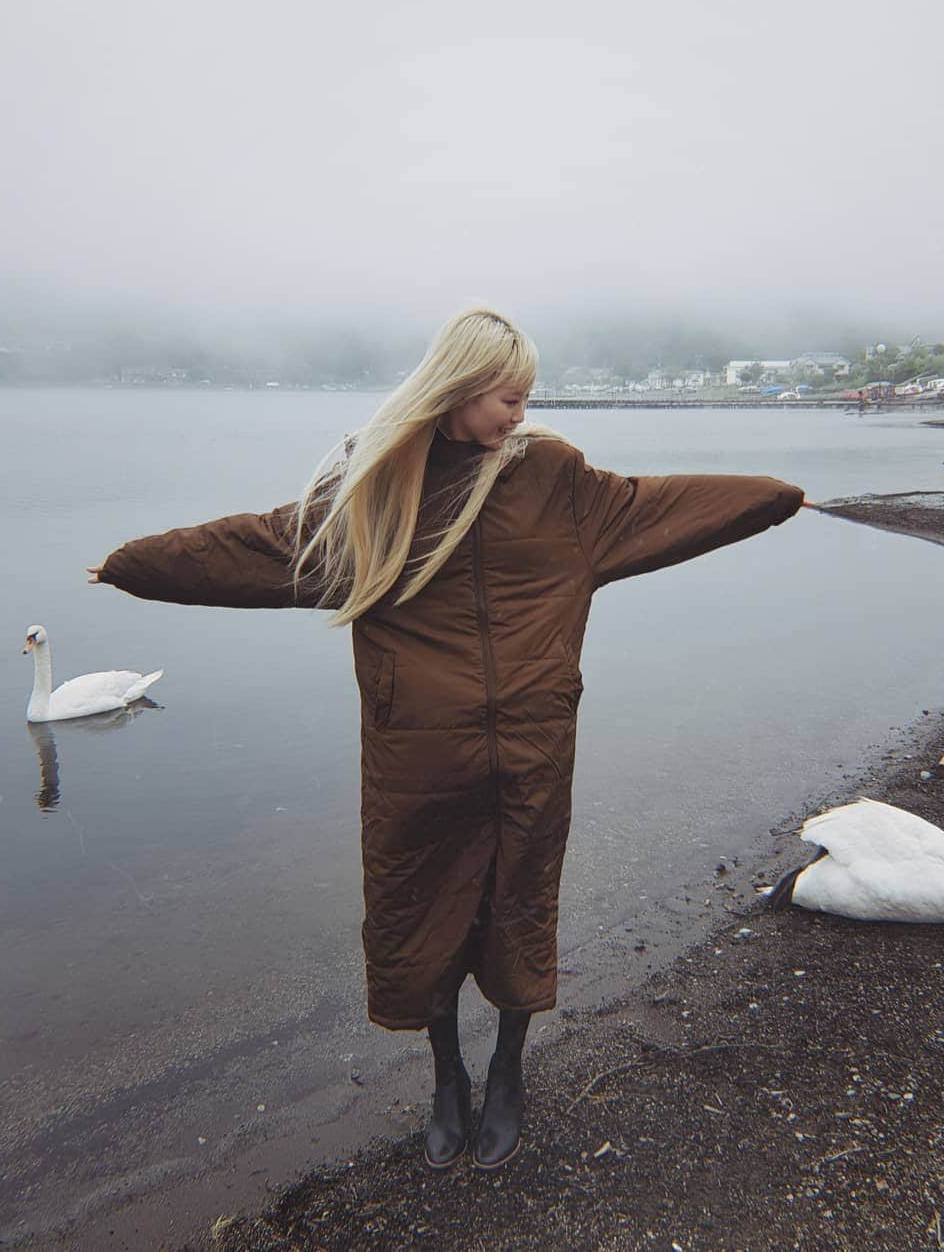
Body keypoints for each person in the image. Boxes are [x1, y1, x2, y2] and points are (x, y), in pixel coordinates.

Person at [88, 308, 805, 1171]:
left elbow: (665, 508)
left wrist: (775, 498)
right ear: (459, 389)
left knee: (520, 905)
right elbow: (254, 550)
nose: (521, 415)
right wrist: (132, 564)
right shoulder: (376, 490)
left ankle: (507, 1069)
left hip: (535, 750)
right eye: (510, 397)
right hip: (415, 759)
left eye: (527, 398)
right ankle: (446, 1077)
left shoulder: (557, 480)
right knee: (417, 914)